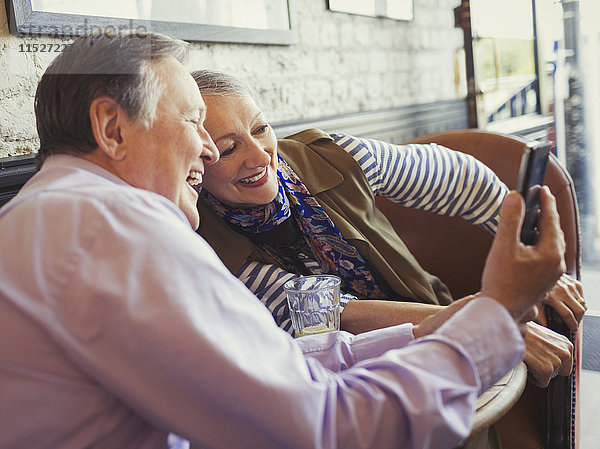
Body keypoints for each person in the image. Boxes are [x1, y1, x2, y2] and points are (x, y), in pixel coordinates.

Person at [0, 31, 565, 449]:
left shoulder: (57, 215)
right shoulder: (119, 232)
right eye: (196, 124)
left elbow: (272, 363)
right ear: (113, 129)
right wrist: (495, 314)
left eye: (258, 129)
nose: (207, 149)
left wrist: (430, 327)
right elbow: (325, 427)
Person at [194, 70, 584, 389]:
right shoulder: (200, 241)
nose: (261, 155)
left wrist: (529, 262)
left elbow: (462, 180)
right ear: (194, 164)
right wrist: (475, 323)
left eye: (261, 129)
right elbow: (333, 315)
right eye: (229, 149)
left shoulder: (332, 157)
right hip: (331, 380)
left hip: (432, 320)